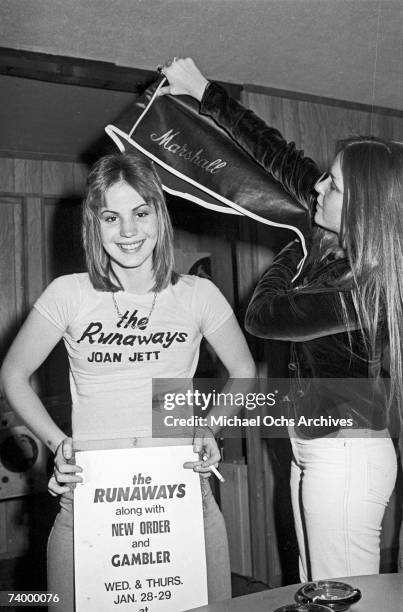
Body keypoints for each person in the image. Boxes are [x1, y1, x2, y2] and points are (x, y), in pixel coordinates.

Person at [160, 57, 401, 581]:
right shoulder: (340, 248)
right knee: (316, 587)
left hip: (346, 457)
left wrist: (294, 250)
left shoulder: (367, 288)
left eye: (332, 187)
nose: (317, 189)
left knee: (341, 595)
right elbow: (277, 154)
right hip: (313, 445)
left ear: (364, 206)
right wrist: (203, 90)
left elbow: (264, 316)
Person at [0, 151, 256, 610]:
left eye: (141, 213)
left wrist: (209, 427)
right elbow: (13, 374)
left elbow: (244, 371)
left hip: (181, 494)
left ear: (160, 214)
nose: (129, 232)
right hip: (89, 498)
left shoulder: (198, 295)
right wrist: (59, 443)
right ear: (94, 226)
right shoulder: (69, 294)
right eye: (111, 217)